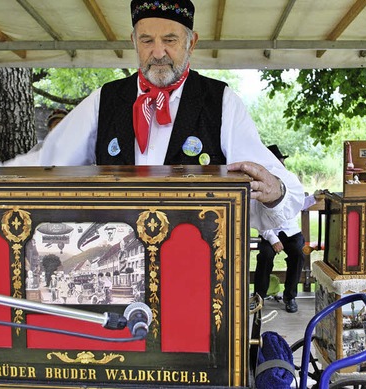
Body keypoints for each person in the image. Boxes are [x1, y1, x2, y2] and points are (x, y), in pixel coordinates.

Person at [28, 0, 304, 233]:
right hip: (119, 262)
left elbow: (283, 191)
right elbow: (50, 163)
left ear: (191, 42)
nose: (158, 53)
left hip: (195, 264)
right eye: (147, 40)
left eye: (170, 40)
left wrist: (275, 191)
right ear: (134, 42)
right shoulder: (104, 99)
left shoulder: (220, 101)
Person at [254, 145, 305, 313]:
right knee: (266, 255)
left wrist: (315, 197)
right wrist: (273, 239)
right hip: (270, 232)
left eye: (281, 161)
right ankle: (258, 297)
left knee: (298, 253)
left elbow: (298, 203)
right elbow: (257, 215)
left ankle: (290, 296)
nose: (281, 163)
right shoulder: (261, 181)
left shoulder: (288, 179)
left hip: (290, 231)